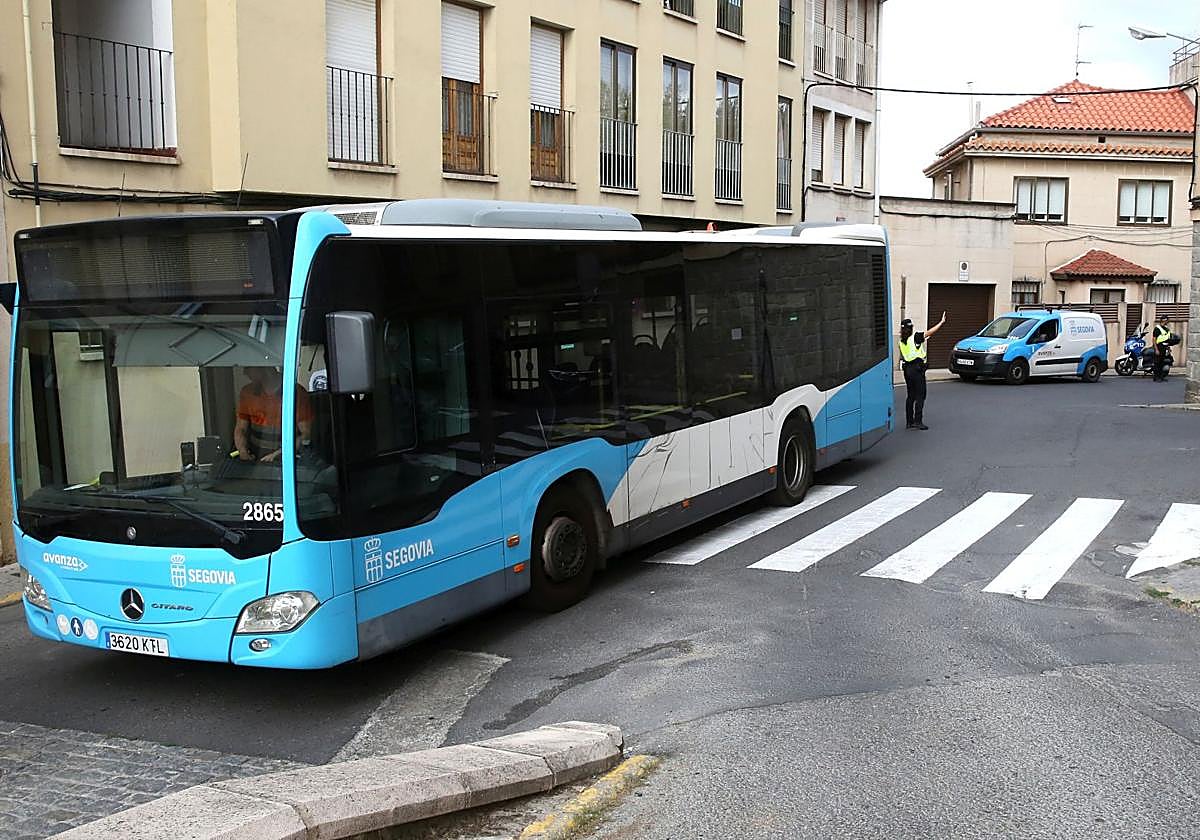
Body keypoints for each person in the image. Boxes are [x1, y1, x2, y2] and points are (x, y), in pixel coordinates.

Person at [234, 366, 314, 462]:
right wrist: (243, 452)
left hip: (287, 463)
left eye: (248, 367)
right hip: (254, 462)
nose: (245, 372)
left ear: (264, 367)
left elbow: (306, 434)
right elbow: (240, 428)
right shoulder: (247, 392)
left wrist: (281, 453)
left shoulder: (295, 393)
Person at [898, 312, 946, 431]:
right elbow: (930, 332)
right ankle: (918, 421)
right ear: (911, 327)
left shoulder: (901, 341)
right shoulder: (915, 337)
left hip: (907, 369)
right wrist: (941, 322)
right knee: (921, 395)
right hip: (917, 369)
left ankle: (909, 422)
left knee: (910, 396)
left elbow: (909, 352)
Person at [1151, 314, 1173, 382]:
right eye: (1167, 320)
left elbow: (1167, 339)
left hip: (1165, 347)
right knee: (1157, 363)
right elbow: (1154, 339)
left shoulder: (1166, 329)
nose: (1168, 321)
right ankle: (1156, 377)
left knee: (1162, 363)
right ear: (1164, 320)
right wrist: (1156, 349)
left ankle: (1161, 377)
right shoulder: (1157, 328)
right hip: (1159, 347)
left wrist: (1168, 348)